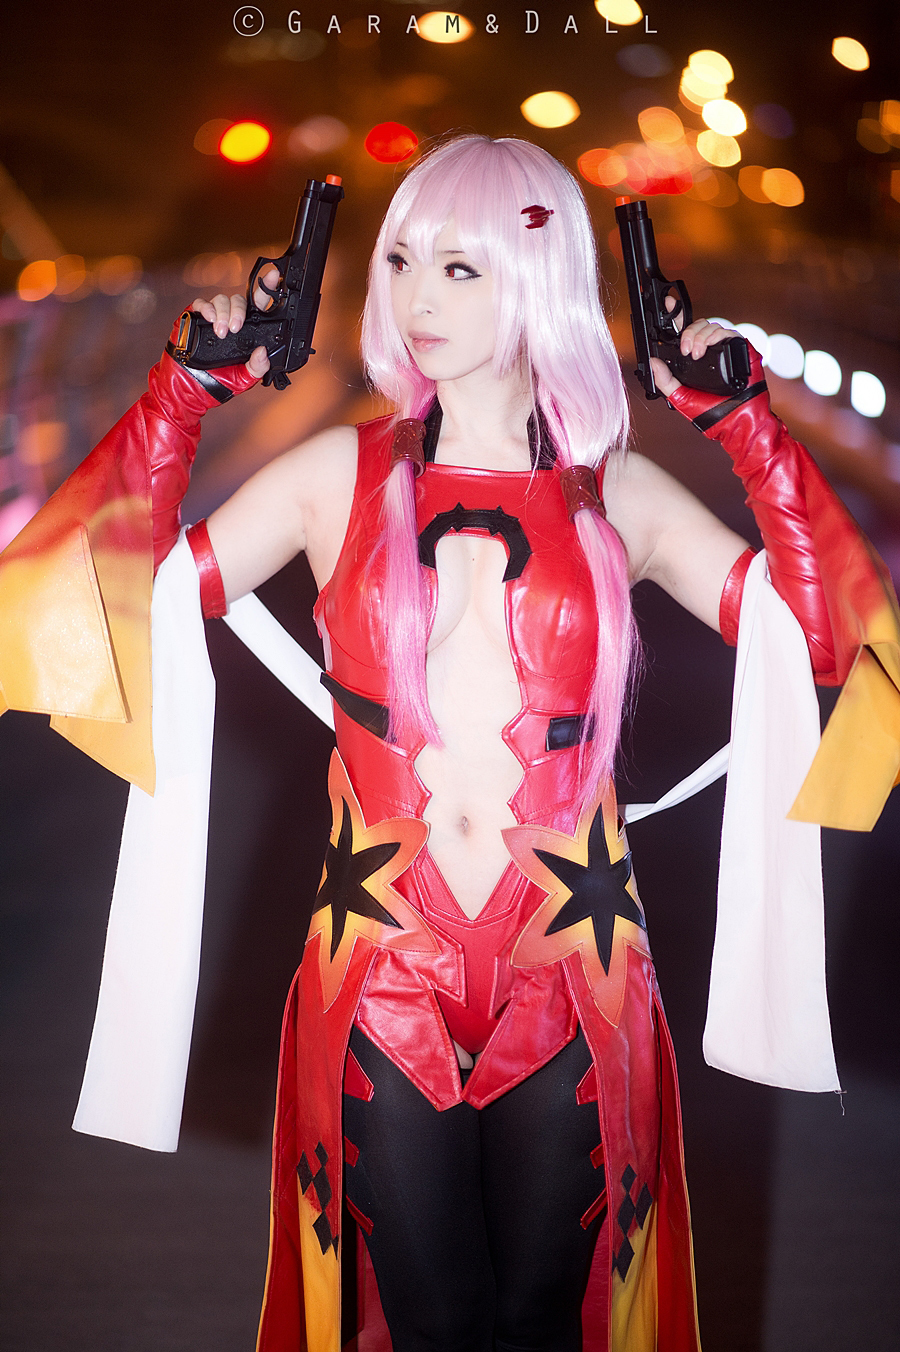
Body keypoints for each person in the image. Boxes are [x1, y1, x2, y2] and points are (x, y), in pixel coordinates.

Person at [1, 134, 897, 1352]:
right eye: (403, 259)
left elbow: (836, 643)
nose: (418, 295)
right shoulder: (333, 474)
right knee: (425, 1319)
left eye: (460, 267)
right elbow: (94, 602)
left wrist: (749, 429)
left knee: (540, 1320)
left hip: (572, 964)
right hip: (381, 960)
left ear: (539, 279)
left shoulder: (615, 494)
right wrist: (180, 395)